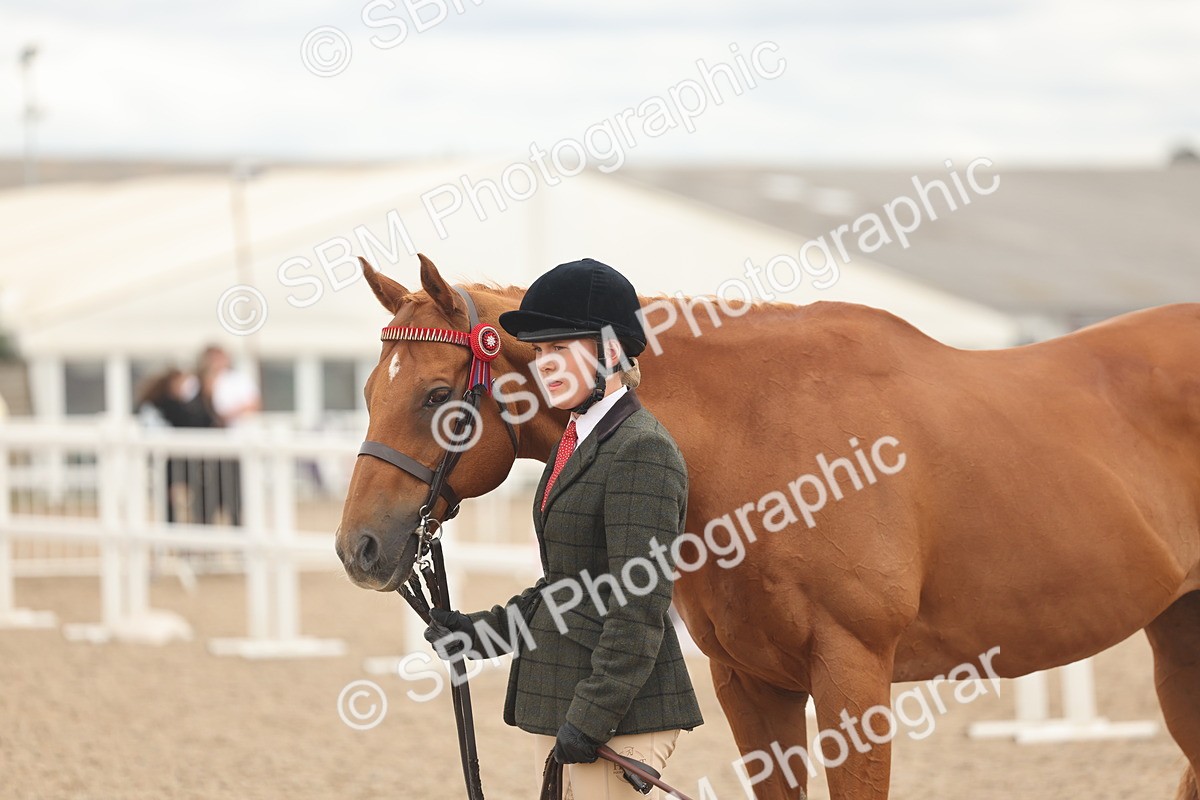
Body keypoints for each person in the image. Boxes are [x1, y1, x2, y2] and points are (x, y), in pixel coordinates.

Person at [424, 258, 703, 797]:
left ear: (613, 352)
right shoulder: (571, 445)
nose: (544, 365)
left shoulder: (641, 450)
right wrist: (478, 634)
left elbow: (639, 606)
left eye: (561, 349)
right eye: (541, 352)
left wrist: (593, 717)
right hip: (570, 700)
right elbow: (565, 589)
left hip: (620, 714)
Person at [135, 368, 218, 523]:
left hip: (165, 459)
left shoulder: (151, 404)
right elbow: (198, 423)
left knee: (171, 502)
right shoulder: (171, 405)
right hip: (175, 460)